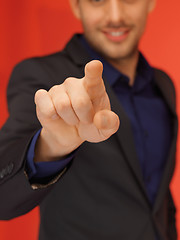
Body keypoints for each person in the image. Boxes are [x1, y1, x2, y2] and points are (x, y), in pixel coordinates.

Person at [0, 0, 178, 239]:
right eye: (97, 0)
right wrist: (52, 146)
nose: (115, 16)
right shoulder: (40, 76)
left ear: (151, 2)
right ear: (76, 5)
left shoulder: (163, 85)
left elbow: (157, 198)